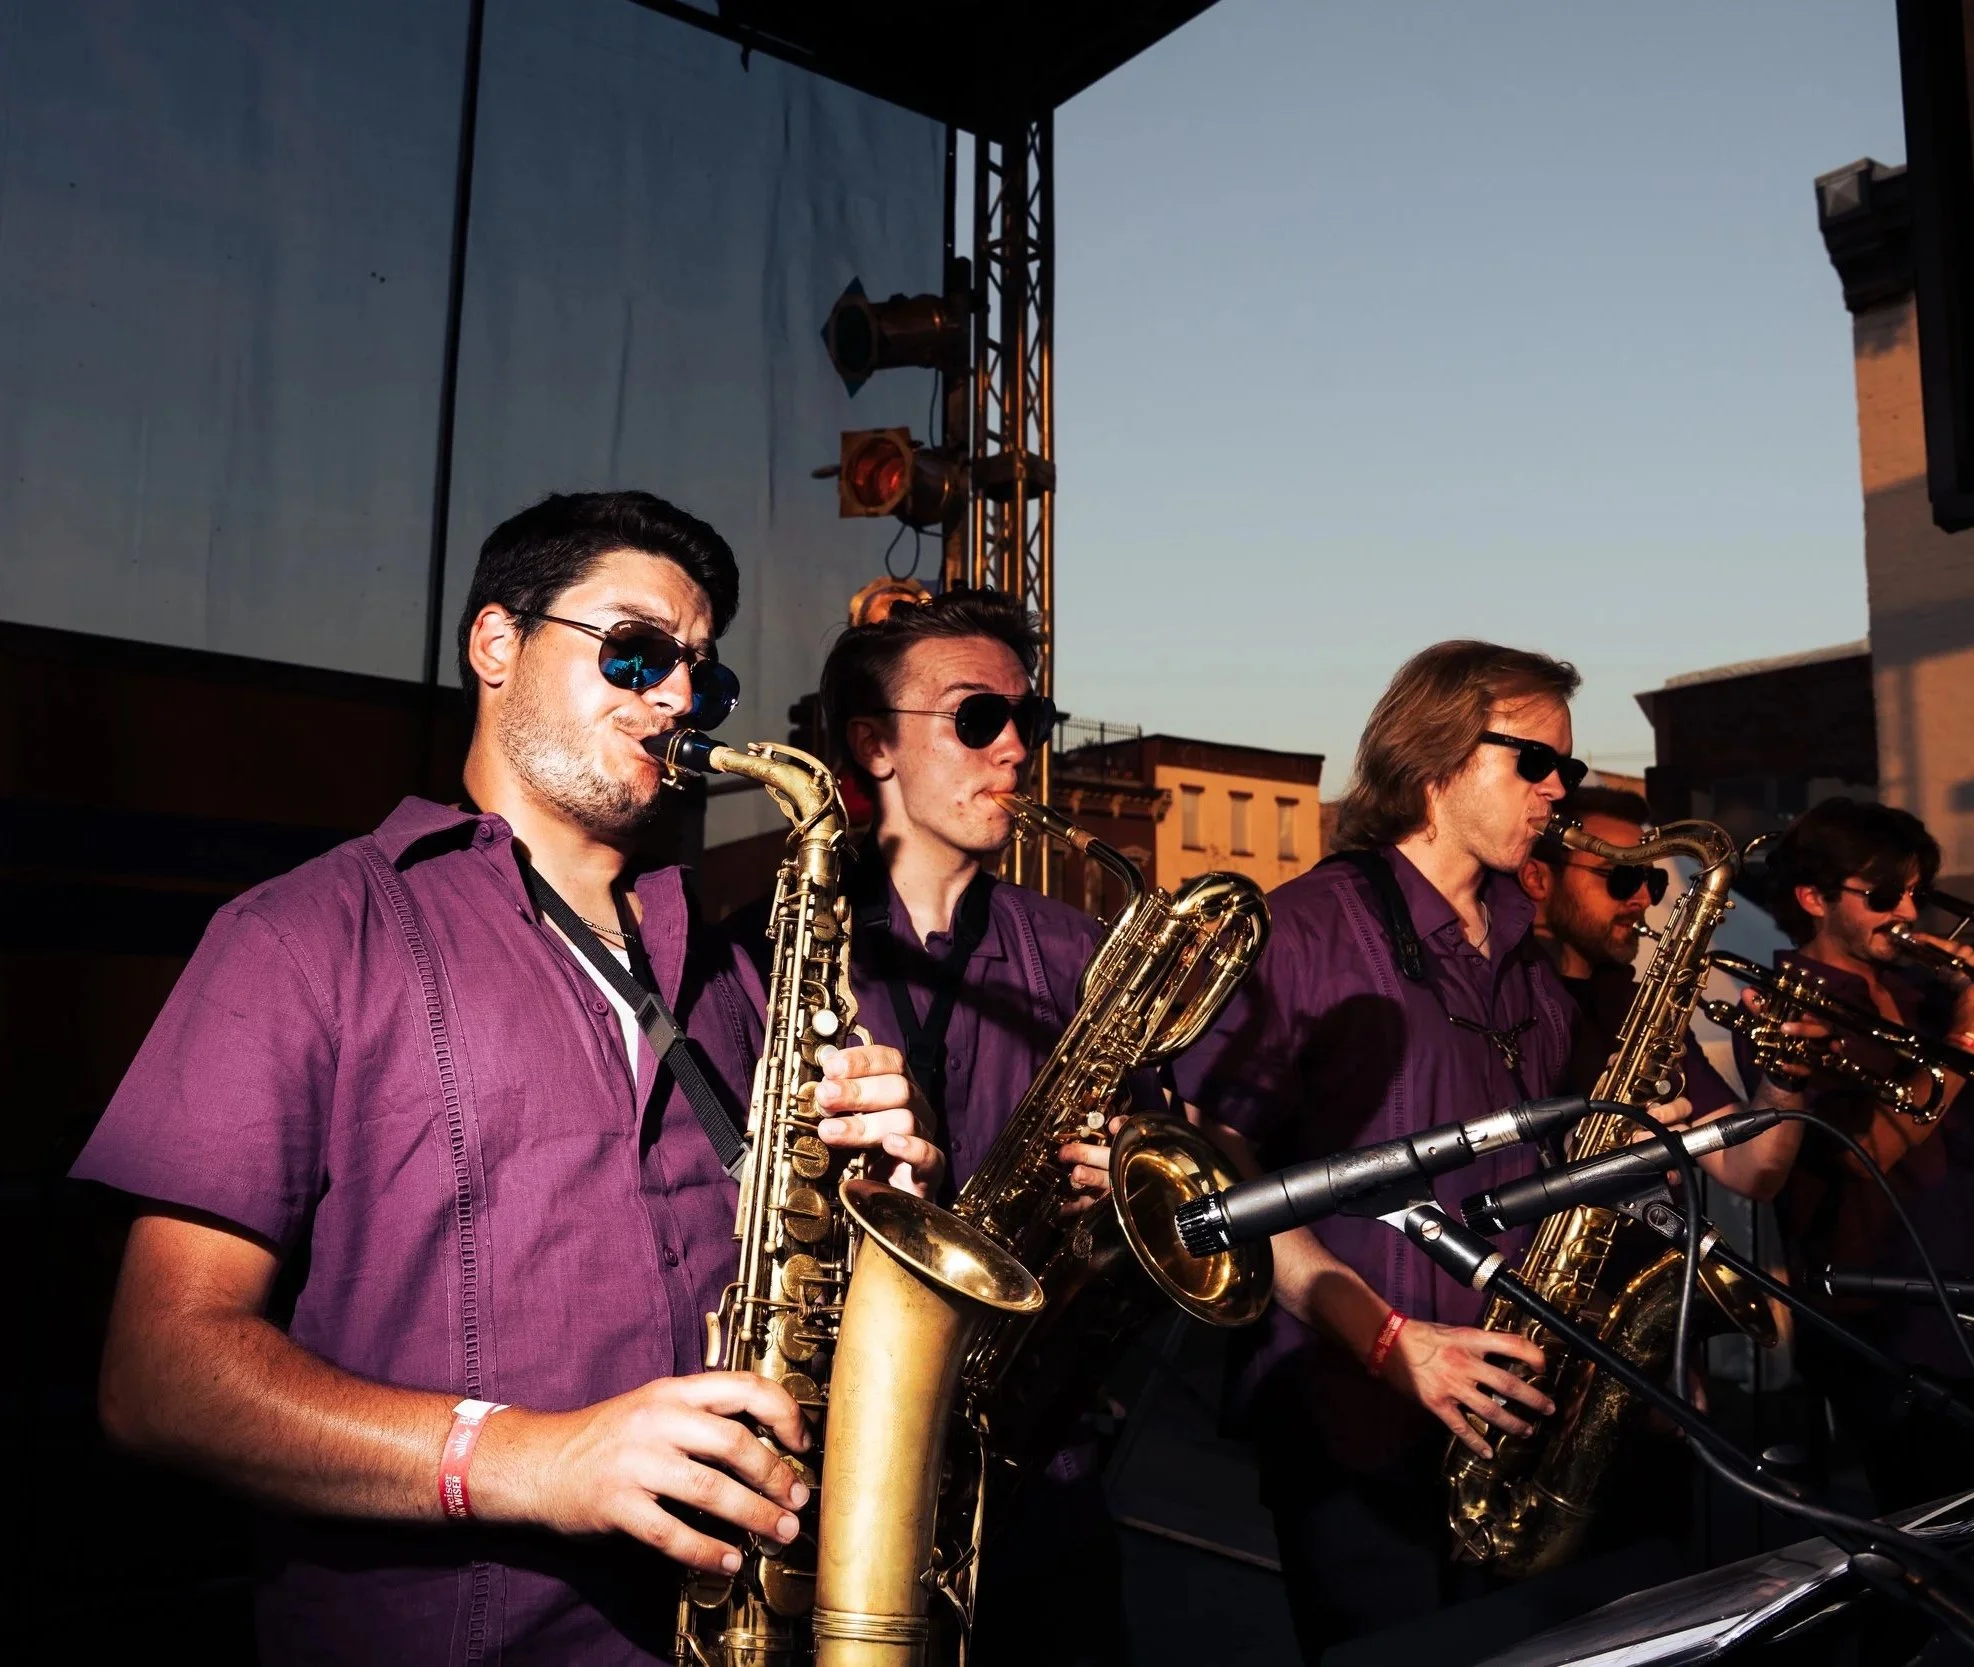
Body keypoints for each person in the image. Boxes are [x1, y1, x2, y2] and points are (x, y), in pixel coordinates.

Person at [72, 491, 941, 1665]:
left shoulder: (734, 972)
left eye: (703, 674)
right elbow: (159, 1374)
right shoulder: (302, 933)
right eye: (634, 652)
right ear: (496, 644)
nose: (678, 697)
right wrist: (531, 1456)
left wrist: (872, 1188)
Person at [1174, 639, 1585, 1661]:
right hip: (1349, 1422)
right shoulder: (1302, 928)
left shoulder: (1528, 960)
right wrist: (1392, 1340)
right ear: (1437, 760)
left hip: (1515, 1427)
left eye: (1565, 769)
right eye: (1533, 761)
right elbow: (1216, 1170)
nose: (1557, 791)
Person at [760, 586, 1133, 1666]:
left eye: (1031, 721)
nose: (1016, 749)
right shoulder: (770, 952)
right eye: (978, 718)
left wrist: (1125, 1179)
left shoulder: (1080, 954)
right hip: (831, 1484)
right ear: (874, 744)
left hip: (1038, 1467)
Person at [1743, 797, 1974, 1512]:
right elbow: (1861, 1152)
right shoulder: (1796, 1007)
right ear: (1814, 898)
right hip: (1897, 1326)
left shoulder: (1921, 993)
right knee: (1941, 1548)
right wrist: (1968, 1043)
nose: (1907, 911)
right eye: (1883, 895)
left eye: (1918, 891)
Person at [1518, 783, 1805, 1198]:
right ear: (1536, 879)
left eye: (1650, 881)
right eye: (1621, 876)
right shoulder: (1504, 1002)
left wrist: (1783, 1080)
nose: (1642, 899)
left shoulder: (1642, 1007)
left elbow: (1748, 1170)